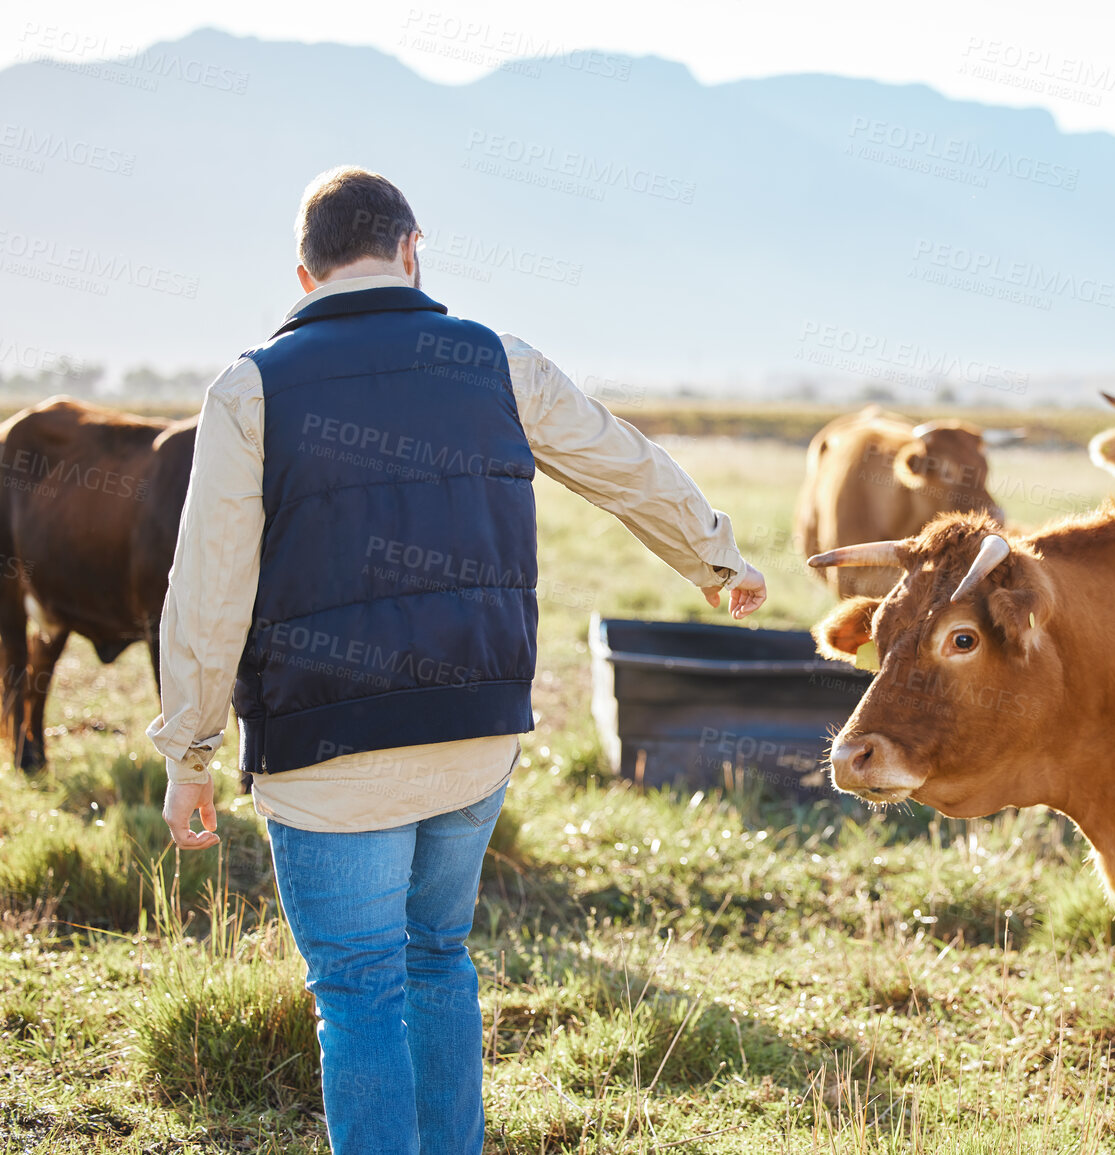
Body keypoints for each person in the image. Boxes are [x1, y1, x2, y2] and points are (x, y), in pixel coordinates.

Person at [147, 165, 767, 1154]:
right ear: (411, 247)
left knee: (357, 993)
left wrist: (189, 754)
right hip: (475, 730)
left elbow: (207, 584)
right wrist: (715, 557)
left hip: (325, 748)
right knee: (438, 958)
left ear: (303, 276)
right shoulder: (496, 359)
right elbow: (621, 460)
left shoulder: (250, 388)